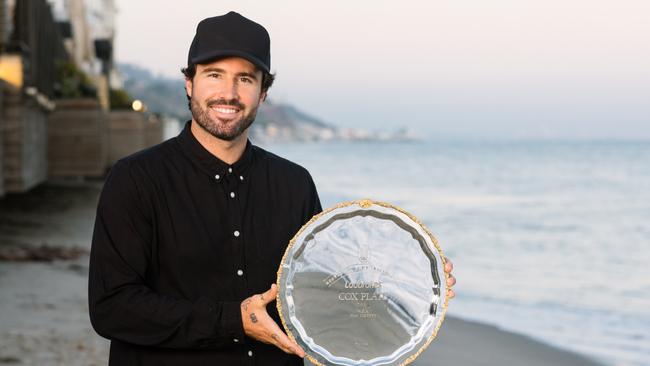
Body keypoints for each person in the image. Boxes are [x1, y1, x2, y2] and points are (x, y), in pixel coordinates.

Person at [88, 11, 456, 366]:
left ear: (263, 92)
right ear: (190, 82)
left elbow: (322, 290)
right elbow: (111, 308)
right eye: (214, 75)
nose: (228, 93)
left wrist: (415, 285)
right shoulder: (135, 179)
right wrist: (234, 320)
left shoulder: (294, 184)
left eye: (245, 79)